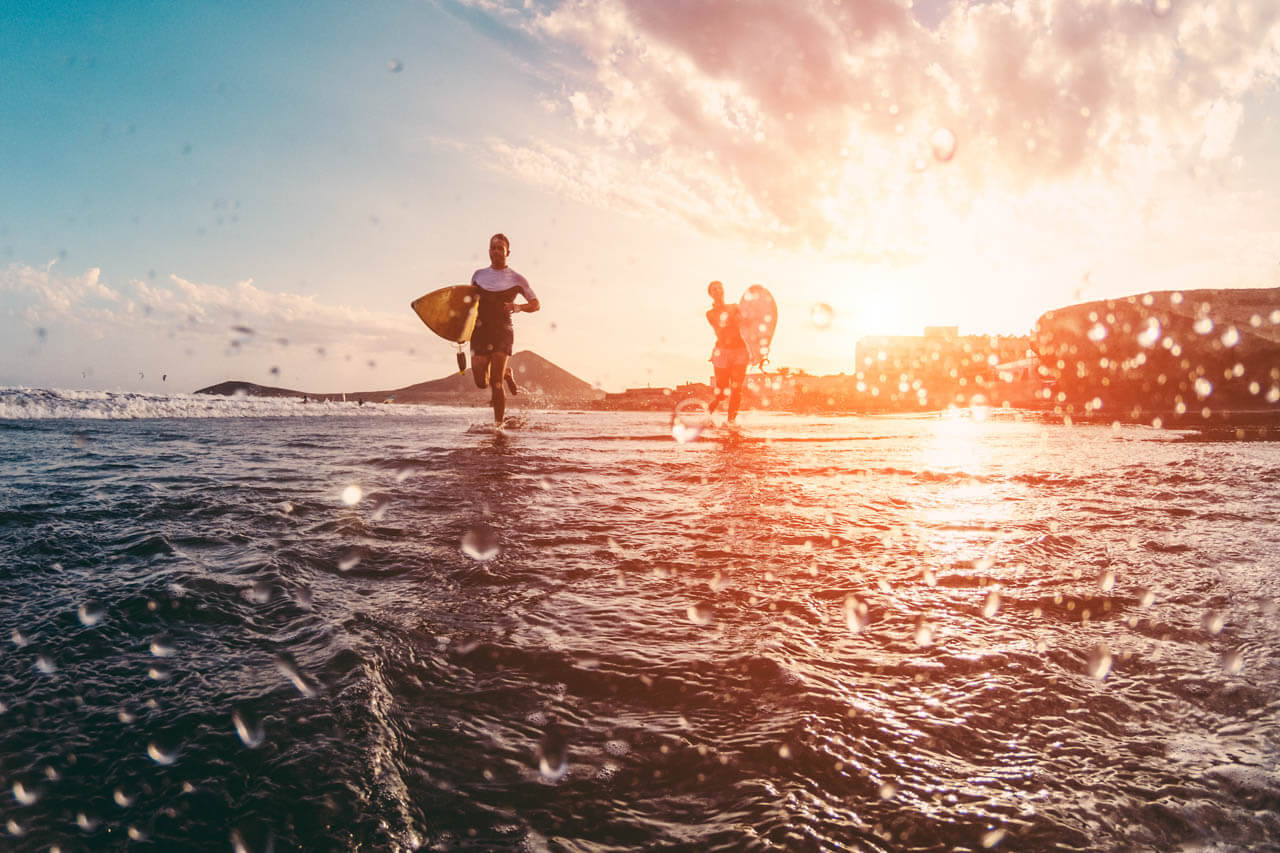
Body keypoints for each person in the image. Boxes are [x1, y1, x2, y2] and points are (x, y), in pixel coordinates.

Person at [470, 233, 540, 425]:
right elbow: (470, 305)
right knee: (480, 382)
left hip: (503, 330)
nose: (497, 251)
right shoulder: (478, 276)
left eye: (500, 248)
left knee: (495, 382)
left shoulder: (517, 278)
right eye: (493, 248)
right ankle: (507, 373)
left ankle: (498, 427)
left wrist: (517, 307)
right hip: (480, 331)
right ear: (489, 252)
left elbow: (536, 304)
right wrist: (459, 331)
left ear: (508, 252)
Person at [705, 280, 749, 424]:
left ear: (723, 291)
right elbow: (722, 326)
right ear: (710, 294)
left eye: (719, 288)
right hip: (722, 352)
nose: (718, 291)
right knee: (722, 391)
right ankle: (712, 408)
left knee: (736, 389)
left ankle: (731, 422)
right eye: (714, 289)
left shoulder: (735, 307)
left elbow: (746, 325)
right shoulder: (710, 314)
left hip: (740, 351)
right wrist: (737, 316)